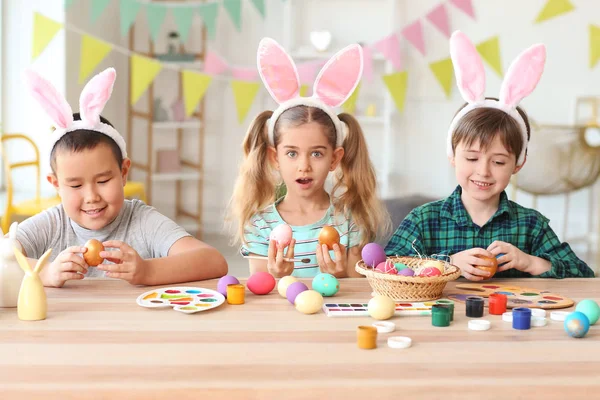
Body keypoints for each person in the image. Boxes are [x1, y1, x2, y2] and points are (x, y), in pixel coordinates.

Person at [385, 31, 594, 280]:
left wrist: (530, 262)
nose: (483, 171)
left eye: (498, 162)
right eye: (472, 159)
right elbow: (388, 267)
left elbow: (584, 275)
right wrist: (447, 264)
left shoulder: (531, 225)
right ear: (452, 155)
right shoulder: (424, 220)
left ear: (518, 164)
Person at [13, 67, 228, 287]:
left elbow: (214, 261)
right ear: (56, 184)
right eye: (76, 185)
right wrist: (45, 272)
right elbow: (4, 258)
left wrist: (148, 270)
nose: (91, 196)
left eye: (103, 181)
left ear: (124, 172)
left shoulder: (142, 221)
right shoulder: (52, 224)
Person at [229, 38, 390, 278]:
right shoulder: (260, 225)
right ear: (275, 157)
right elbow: (260, 297)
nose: (304, 166)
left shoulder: (349, 221)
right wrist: (278, 277)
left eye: (316, 153)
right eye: (291, 153)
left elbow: (357, 294)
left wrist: (340, 277)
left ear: (335, 159)